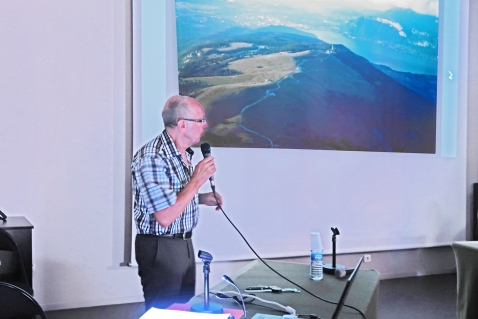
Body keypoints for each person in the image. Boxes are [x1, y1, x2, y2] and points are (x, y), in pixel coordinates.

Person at [131, 95, 223, 311]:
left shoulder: (183, 154)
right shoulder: (152, 157)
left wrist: (202, 198)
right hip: (161, 246)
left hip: (184, 245)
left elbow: (171, 197)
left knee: (183, 311)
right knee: (164, 312)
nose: (205, 125)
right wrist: (197, 180)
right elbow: (164, 216)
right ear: (183, 124)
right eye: (201, 120)